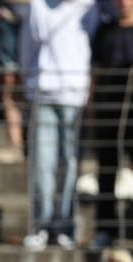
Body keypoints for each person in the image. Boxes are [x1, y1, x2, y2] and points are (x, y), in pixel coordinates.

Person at [19, 0, 99, 251]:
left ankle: (65, 226)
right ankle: (41, 224)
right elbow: (26, 47)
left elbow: (92, 45)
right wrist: (29, 83)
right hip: (42, 94)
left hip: (74, 96)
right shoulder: (37, 6)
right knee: (42, 163)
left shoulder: (89, 6)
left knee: (70, 162)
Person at [91, 0, 133, 247]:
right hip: (109, 110)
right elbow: (95, 70)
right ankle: (105, 229)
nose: (123, 3)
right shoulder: (105, 31)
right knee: (106, 170)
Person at [0, 0, 30, 165]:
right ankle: (16, 144)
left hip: (36, 16)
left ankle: (35, 143)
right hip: (6, 17)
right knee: (9, 83)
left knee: (33, 81)